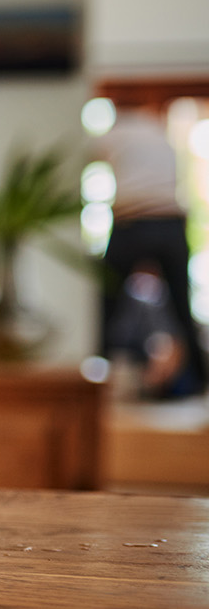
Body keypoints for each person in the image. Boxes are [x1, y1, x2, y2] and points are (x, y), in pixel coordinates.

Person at [93, 103, 207, 398]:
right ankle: (200, 382)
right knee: (182, 308)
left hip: (132, 221)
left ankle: (98, 375)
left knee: (105, 302)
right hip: (171, 222)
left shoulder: (114, 134)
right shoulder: (162, 135)